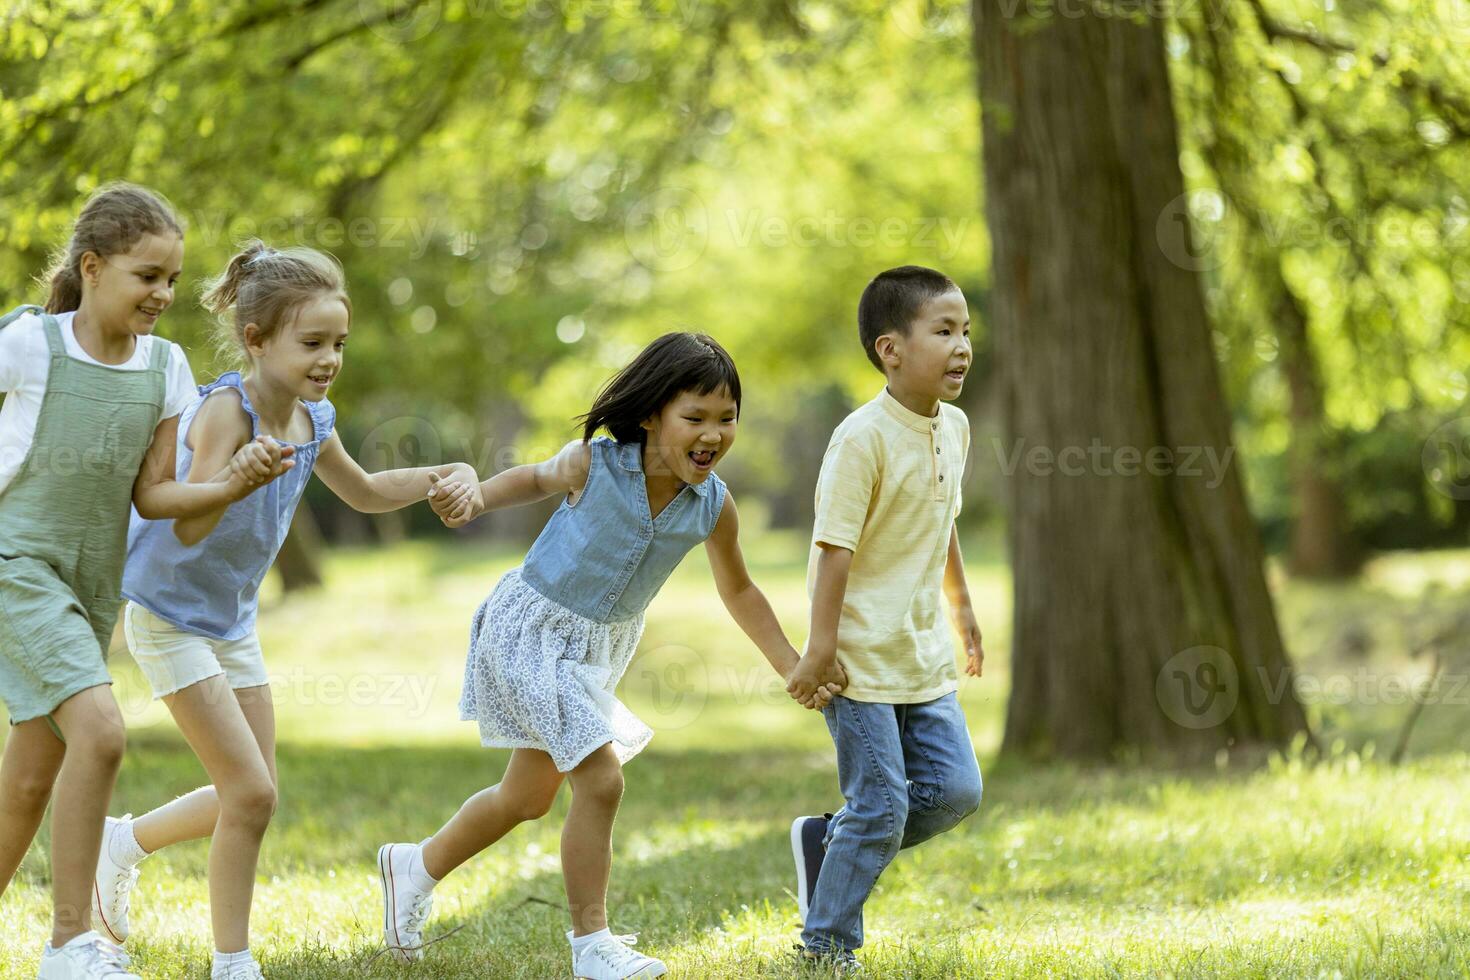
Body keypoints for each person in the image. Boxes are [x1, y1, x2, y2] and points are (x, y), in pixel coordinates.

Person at [378, 332, 841, 980]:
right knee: (600, 777)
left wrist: (790, 661)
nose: (713, 433)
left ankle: (413, 866)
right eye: (696, 417)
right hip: (529, 631)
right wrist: (478, 496)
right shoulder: (596, 463)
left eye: (727, 418)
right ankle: (591, 945)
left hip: (594, 651)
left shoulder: (713, 505)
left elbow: (738, 588)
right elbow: (532, 478)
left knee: (527, 798)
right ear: (652, 415)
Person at [96, 241, 480, 980]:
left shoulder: (314, 418)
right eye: (312, 343)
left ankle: (126, 843)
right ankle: (232, 962)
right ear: (256, 340)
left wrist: (443, 472)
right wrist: (235, 478)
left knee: (255, 795)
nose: (329, 357)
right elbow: (189, 523)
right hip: (168, 616)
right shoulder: (223, 412)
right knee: (250, 791)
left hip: (231, 623)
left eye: (338, 342)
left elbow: (365, 492)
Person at [786, 266, 986, 973]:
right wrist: (819, 649)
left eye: (965, 331)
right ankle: (826, 944)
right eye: (943, 331)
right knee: (880, 809)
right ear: (890, 348)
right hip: (858, 655)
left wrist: (962, 614)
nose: (961, 346)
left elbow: (946, 523)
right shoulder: (861, 438)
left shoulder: (954, 428)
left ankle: (827, 843)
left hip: (921, 649)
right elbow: (833, 551)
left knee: (958, 790)